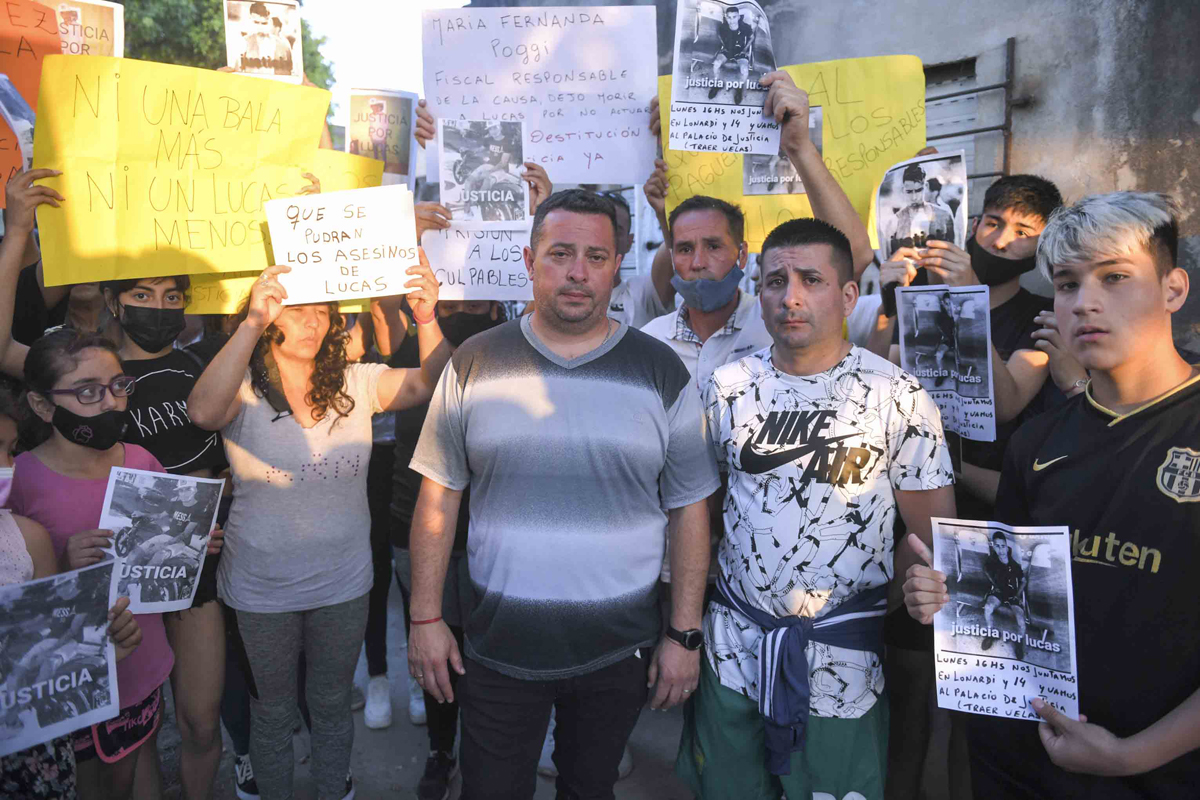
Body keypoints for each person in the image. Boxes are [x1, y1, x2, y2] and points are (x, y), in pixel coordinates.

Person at [406, 189, 720, 799]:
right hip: (496, 649)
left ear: (616, 267)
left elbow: (689, 509)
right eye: (560, 254)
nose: (577, 272)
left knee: (589, 790)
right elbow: (437, 498)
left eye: (596, 257)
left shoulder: (661, 371)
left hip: (618, 651)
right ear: (528, 262)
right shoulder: (472, 362)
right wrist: (424, 618)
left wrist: (684, 635)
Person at [904, 192, 1200, 799]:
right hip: (1019, 764)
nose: (1086, 302)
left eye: (1115, 278)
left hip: (1158, 776)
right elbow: (1013, 602)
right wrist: (941, 596)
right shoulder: (1038, 439)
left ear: (1173, 289)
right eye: (1067, 284)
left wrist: (1129, 756)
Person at [675, 217, 955, 799]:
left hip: (841, 662)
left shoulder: (896, 396)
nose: (791, 297)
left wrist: (911, 591)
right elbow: (698, 511)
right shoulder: (726, 388)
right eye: (775, 280)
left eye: (811, 279)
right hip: (733, 647)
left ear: (849, 294)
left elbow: (934, 542)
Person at [185, 249, 451, 800]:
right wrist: (252, 319)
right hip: (260, 590)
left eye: (323, 310)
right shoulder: (241, 386)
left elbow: (433, 385)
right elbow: (203, 414)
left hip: (343, 585)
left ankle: (334, 789)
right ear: (270, 311)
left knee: (331, 706)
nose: (311, 320)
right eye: (295, 307)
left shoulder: (357, 382)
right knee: (273, 711)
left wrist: (426, 318)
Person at [870, 173, 1075, 800]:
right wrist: (885, 305)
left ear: (1042, 248)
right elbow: (875, 374)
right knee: (905, 700)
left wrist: (967, 299)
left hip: (994, 529)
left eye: (1023, 234)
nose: (1002, 239)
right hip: (919, 530)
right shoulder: (918, 295)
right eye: (993, 224)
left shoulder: (1043, 316)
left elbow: (1008, 400)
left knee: (976, 716)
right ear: (973, 223)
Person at [642, 70, 875, 397]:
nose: (697, 262)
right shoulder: (649, 342)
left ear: (741, 253)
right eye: (683, 249)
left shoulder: (778, 319)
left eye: (713, 246)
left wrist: (799, 146)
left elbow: (853, 257)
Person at [0, 384, 143, 800]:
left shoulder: (27, 540)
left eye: (9, 449)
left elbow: (50, 650)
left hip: (36, 759)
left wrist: (104, 647)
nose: (6, 465)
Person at [602, 185, 675, 329]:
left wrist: (663, 212)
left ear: (629, 242)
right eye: (598, 228)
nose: (606, 236)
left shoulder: (641, 293)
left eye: (616, 229)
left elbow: (672, 247)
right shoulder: (564, 291)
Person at [885, 163, 956, 257]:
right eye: (909, 192)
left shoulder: (944, 216)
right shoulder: (894, 221)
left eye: (918, 190)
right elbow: (890, 257)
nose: (914, 197)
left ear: (925, 186)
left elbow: (952, 251)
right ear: (903, 190)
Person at [980, 531, 1026, 657]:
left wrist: (1017, 595)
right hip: (999, 592)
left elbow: (1023, 581)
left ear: (1007, 546)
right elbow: (986, 570)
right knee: (988, 607)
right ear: (993, 546)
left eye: (1003, 546)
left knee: (1021, 620)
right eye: (997, 546)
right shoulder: (991, 561)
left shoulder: (1014, 564)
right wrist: (994, 584)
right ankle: (990, 634)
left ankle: (1019, 642)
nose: (1000, 550)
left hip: (1012, 595)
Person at [708, 6, 755, 104]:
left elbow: (751, 37)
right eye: (729, 17)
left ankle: (739, 89)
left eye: (734, 17)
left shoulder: (745, 26)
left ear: (738, 17)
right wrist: (724, 45)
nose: (731, 20)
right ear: (726, 17)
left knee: (744, 70)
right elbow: (719, 35)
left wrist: (745, 49)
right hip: (728, 50)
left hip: (740, 51)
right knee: (716, 63)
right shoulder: (723, 27)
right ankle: (716, 84)